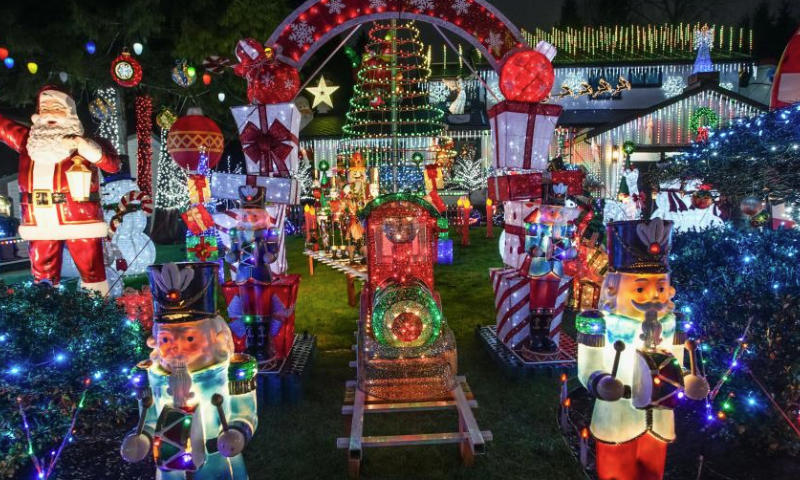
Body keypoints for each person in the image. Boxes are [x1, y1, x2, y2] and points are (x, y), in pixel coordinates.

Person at [576, 219, 708, 480]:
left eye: (660, 287)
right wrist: (602, 382)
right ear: (614, 288)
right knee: (616, 471)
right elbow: (588, 368)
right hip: (618, 414)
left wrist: (688, 378)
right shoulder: (599, 324)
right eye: (639, 287)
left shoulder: (672, 323)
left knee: (652, 472)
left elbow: (676, 362)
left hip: (659, 417)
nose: (652, 296)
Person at [121, 262, 258, 479]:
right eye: (165, 339)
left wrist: (237, 433)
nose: (175, 346)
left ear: (217, 337)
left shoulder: (231, 373)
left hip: (217, 461)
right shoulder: (150, 376)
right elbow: (148, 417)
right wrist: (142, 438)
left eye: (190, 338)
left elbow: (245, 413)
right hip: (169, 467)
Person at [0, 85, 120, 294]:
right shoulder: (28, 140)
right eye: (44, 108)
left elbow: (113, 165)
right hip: (39, 218)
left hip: (80, 219)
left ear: (70, 113)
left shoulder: (86, 143)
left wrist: (86, 147)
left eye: (56, 107)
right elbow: (3, 126)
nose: (50, 114)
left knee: (92, 273)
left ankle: (98, 314)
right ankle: (48, 315)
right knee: (43, 275)